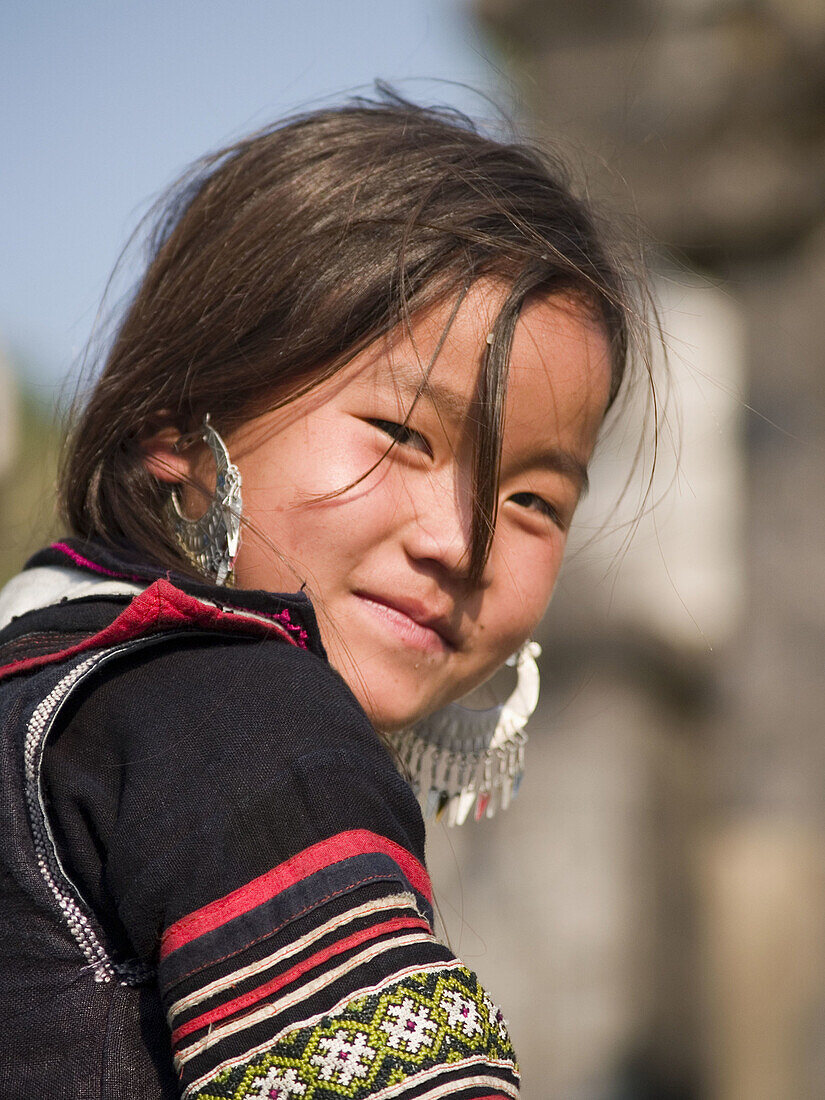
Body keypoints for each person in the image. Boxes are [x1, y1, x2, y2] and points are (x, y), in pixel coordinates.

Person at [0, 93, 638, 1099]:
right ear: (175, 418)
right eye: (403, 433)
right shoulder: (247, 717)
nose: (458, 541)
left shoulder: (43, 690)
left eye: (531, 498)